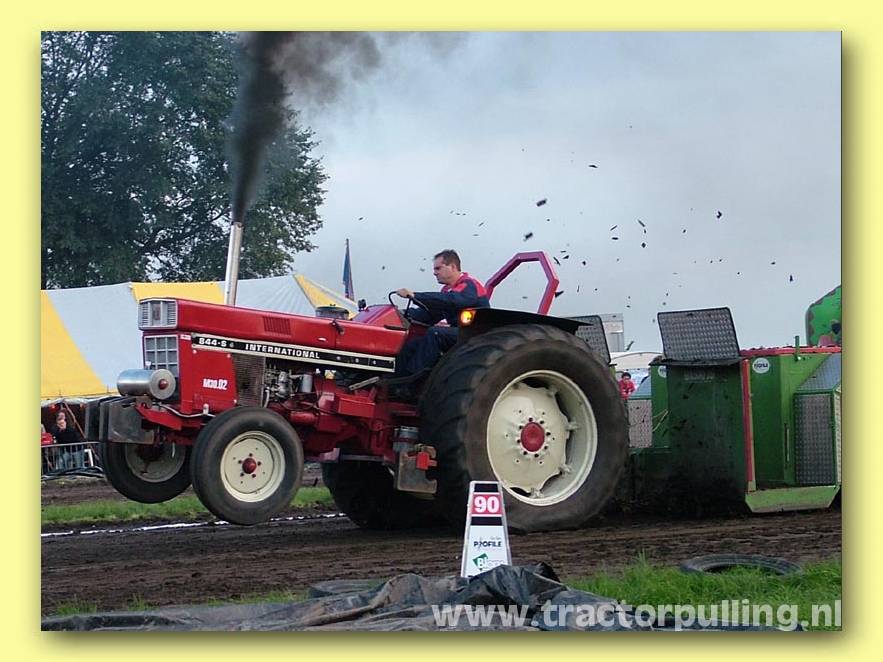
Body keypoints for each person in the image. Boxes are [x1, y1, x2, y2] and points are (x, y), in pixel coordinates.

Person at [394, 249, 490, 379]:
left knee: (435, 333)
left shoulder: (469, 284)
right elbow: (431, 314)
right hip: (459, 333)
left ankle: (412, 380)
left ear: (453, 267)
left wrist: (415, 296)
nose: (434, 273)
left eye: (438, 268)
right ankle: (393, 379)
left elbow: (454, 301)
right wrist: (401, 314)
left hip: (473, 333)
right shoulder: (447, 291)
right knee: (412, 343)